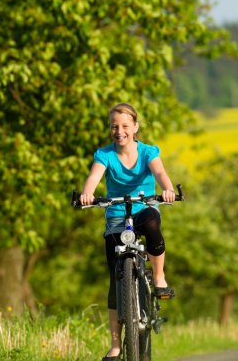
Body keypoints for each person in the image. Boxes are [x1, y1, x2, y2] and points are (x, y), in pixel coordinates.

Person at [78, 103, 177, 361]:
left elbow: (160, 172)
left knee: (153, 225)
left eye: (124, 126)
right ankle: (115, 345)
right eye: (114, 126)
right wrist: (87, 193)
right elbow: (94, 177)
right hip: (116, 215)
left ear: (135, 127)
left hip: (144, 208)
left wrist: (167, 189)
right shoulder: (105, 155)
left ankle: (159, 277)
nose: (119, 131)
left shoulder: (148, 151)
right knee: (116, 279)